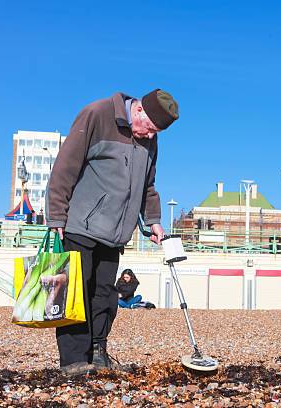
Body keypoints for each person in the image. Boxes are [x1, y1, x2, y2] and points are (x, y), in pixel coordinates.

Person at [46, 90, 179, 376]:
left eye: (157, 133)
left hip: (116, 232)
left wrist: (153, 220)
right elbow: (64, 166)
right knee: (76, 295)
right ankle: (73, 361)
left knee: (105, 296)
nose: (150, 136)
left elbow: (148, 186)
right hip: (80, 225)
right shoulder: (97, 114)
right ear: (140, 110)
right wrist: (56, 214)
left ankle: (97, 352)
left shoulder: (149, 140)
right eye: (150, 128)